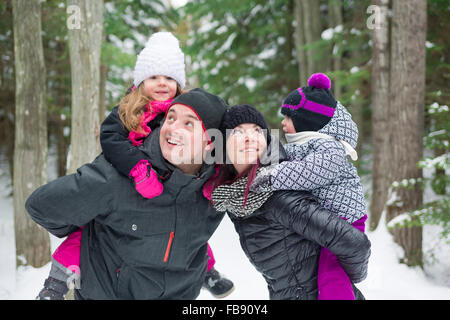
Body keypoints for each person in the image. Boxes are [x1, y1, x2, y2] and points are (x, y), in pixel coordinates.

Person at [35, 32, 233, 300]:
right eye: (153, 77)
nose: (162, 84)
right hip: (128, 174)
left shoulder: (183, 106)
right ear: (140, 81)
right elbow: (111, 140)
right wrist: (137, 167)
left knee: (188, 231)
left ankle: (206, 272)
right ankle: (57, 282)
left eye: (169, 78)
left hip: (171, 191)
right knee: (88, 231)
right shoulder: (129, 110)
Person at [210, 104, 371, 300]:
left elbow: (356, 245)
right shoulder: (236, 195)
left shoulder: (278, 195)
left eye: (257, 130)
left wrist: (343, 281)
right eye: (237, 131)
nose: (249, 137)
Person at [251, 73, 367, 300]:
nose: (283, 123)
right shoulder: (307, 145)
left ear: (307, 121)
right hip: (327, 222)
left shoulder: (329, 147)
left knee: (331, 273)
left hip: (346, 219)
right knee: (323, 273)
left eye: (288, 118)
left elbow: (311, 173)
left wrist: (272, 176)